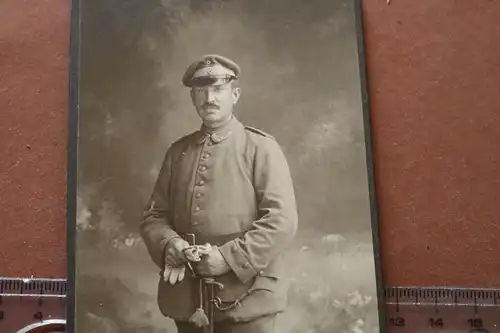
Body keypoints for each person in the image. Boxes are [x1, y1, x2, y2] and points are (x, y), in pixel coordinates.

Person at [139, 54, 298, 333]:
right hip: (189, 300)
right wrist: (169, 244)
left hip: (247, 298)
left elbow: (281, 221)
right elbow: (155, 216)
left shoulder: (261, 148)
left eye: (218, 89)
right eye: (201, 90)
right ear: (193, 98)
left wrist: (227, 258)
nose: (209, 98)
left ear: (235, 95)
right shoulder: (178, 153)